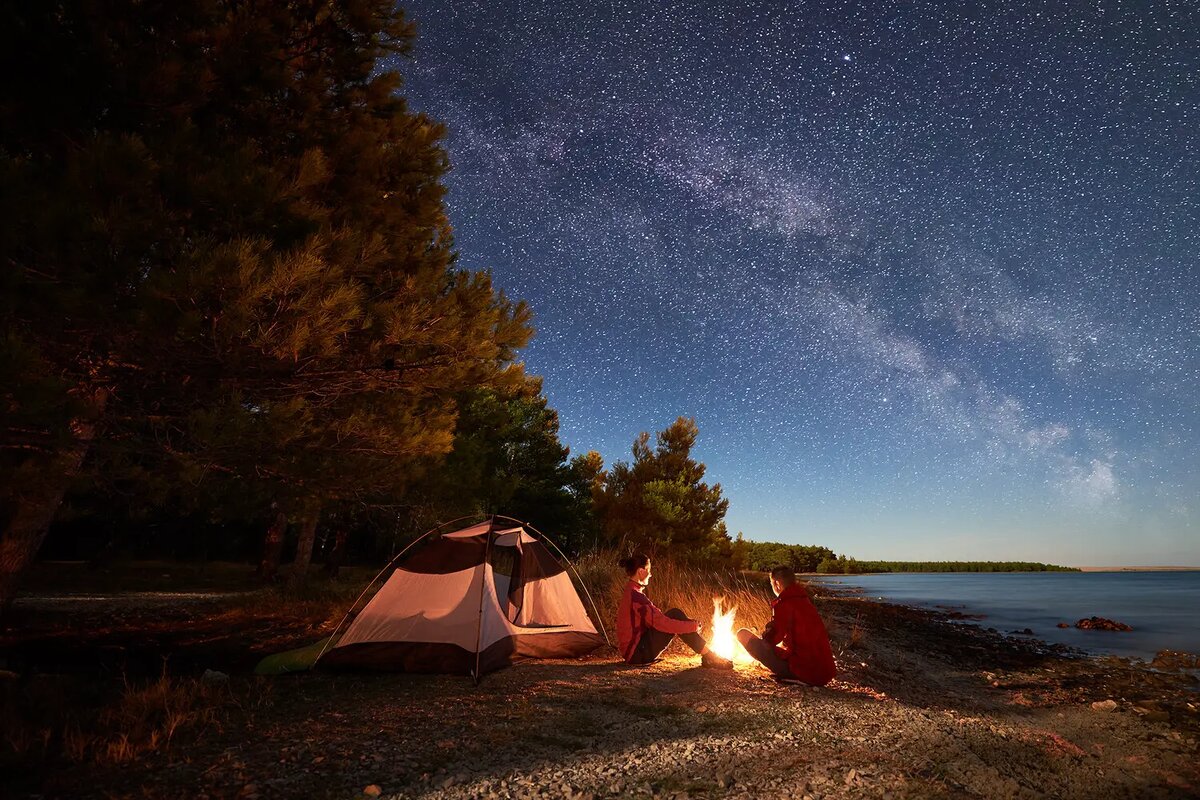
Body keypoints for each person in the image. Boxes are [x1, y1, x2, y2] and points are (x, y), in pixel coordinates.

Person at [616, 553, 732, 669]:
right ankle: (710, 657)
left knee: (674, 614)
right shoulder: (636, 597)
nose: (650, 575)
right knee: (675, 615)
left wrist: (689, 624)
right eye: (649, 570)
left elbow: (656, 619)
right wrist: (693, 626)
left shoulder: (631, 592)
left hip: (635, 652)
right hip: (638, 654)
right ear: (641, 571)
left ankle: (709, 655)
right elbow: (663, 624)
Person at [736, 565, 836, 686]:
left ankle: (795, 677)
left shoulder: (784, 603)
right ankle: (797, 676)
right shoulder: (804, 600)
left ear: (777, 584)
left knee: (742, 634)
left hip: (805, 672)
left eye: (772, 584)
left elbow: (773, 639)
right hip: (824, 674)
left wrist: (765, 634)